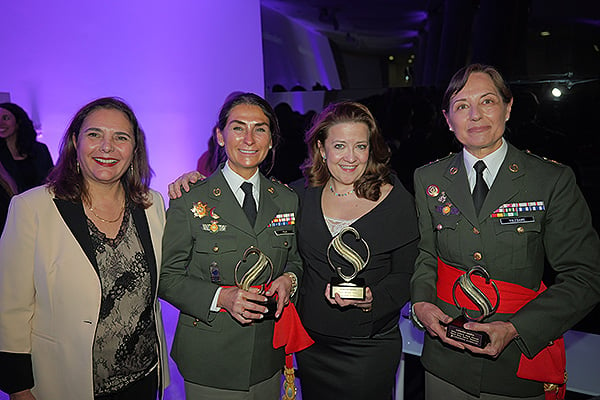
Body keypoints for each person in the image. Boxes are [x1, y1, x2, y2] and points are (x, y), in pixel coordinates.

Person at [410, 64, 600, 399]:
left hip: (516, 366)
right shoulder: (430, 179)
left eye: (487, 102)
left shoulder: (550, 181)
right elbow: (427, 256)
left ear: (508, 108)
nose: (475, 116)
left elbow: (584, 276)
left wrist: (515, 329)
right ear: (448, 119)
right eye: (462, 106)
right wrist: (422, 304)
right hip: (445, 362)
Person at [0, 97, 170, 399]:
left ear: (134, 149)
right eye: (95, 135)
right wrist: (18, 386)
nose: (107, 147)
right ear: (75, 142)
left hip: (143, 378)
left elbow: (171, 274)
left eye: (121, 137)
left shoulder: (152, 204)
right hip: (64, 381)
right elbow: (11, 305)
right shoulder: (32, 208)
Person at [159, 92, 304, 400]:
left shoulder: (287, 199)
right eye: (238, 127)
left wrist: (288, 280)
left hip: (267, 357)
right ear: (220, 136)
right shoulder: (190, 198)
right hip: (210, 359)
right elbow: (166, 277)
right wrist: (221, 297)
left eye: (260, 129)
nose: (249, 138)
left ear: (271, 140)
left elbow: (296, 260)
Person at [292, 101, 419, 399]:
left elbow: (407, 273)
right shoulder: (298, 195)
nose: (350, 157)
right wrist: (195, 182)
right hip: (313, 344)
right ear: (322, 149)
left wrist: (375, 299)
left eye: (360, 146)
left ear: (371, 149)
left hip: (370, 345)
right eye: (339, 146)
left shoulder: (397, 201)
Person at [0, 103, 54, 193]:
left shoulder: (40, 150)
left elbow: (50, 180)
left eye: (5, 118)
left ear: (18, 122)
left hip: (39, 202)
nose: (0, 123)